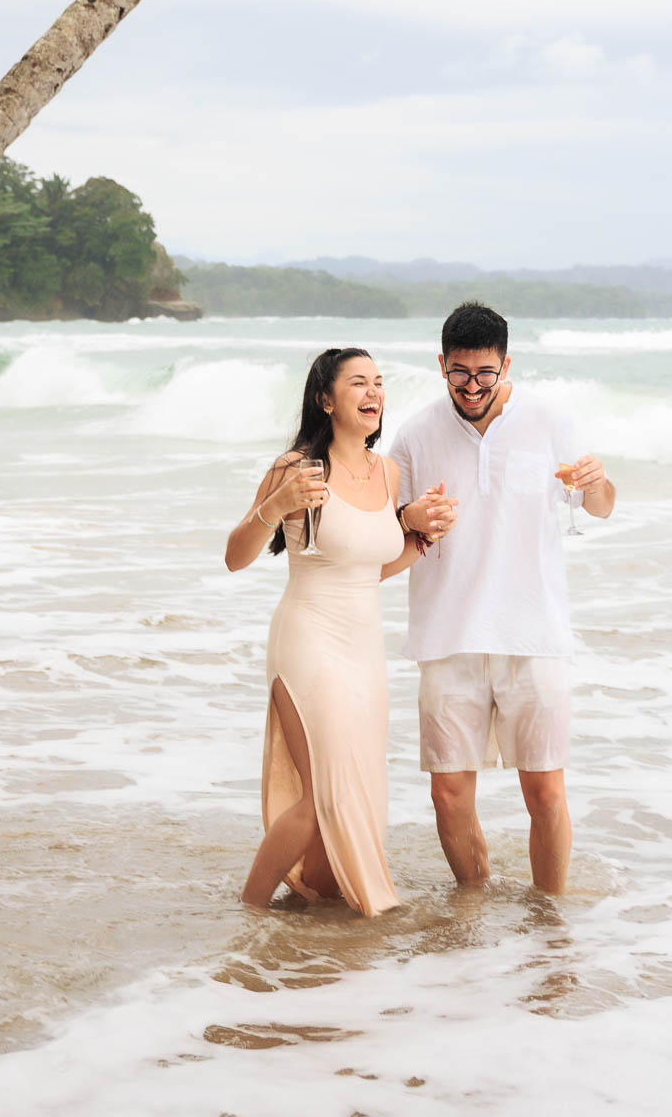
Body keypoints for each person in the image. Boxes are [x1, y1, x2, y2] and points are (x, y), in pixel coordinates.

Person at [224, 346, 455, 917]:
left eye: (378, 381)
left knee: (356, 793)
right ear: (326, 400)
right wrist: (275, 505)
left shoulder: (388, 472)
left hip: (364, 651)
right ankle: (248, 912)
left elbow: (369, 569)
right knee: (323, 794)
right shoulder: (296, 468)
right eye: (357, 382)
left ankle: (310, 901)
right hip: (308, 642)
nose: (373, 392)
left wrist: (422, 536)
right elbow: (235, 557)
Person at [392, 302, 614, 895]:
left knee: (545, 792)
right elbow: (386, 529)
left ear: (506, 365)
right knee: (448, 795)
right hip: (446, 635)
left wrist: (597, 484)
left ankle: (549, 915)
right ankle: (472, 905)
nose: (471, 387)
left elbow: (599, 506)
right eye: (458, 373)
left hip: (533, 634)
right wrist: (408, 517)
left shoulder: (549, 421)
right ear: (441, 364)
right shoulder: (415, 434)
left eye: (484, 374)